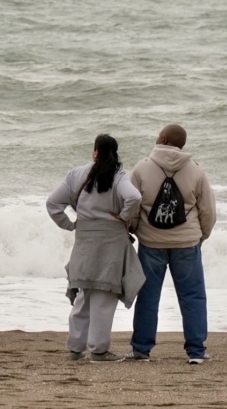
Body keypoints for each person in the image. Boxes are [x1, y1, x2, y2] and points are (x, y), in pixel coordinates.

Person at [122, 123, 216, 364]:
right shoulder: (196, 170)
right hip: (186, 244)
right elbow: (208, 211)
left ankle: (141, 349)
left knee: (148, 296)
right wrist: (200, 236)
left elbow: (131, 205)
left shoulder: (143, 167)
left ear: (162, 139)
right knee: (193, 296)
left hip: (151, 242)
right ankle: (196, 351)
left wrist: (132, 229)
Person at [46, 134, 144, 362]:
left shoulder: (76, 174)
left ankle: (75, 348)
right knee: (104, 297)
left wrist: (69, 225)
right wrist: (123, 216)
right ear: (115, 153)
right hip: (111, 243)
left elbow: (52, 204)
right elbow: (134, 197)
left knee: (83, 295)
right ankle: (99, 351)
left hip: (84, 241)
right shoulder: (118, 176)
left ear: (95, 151)